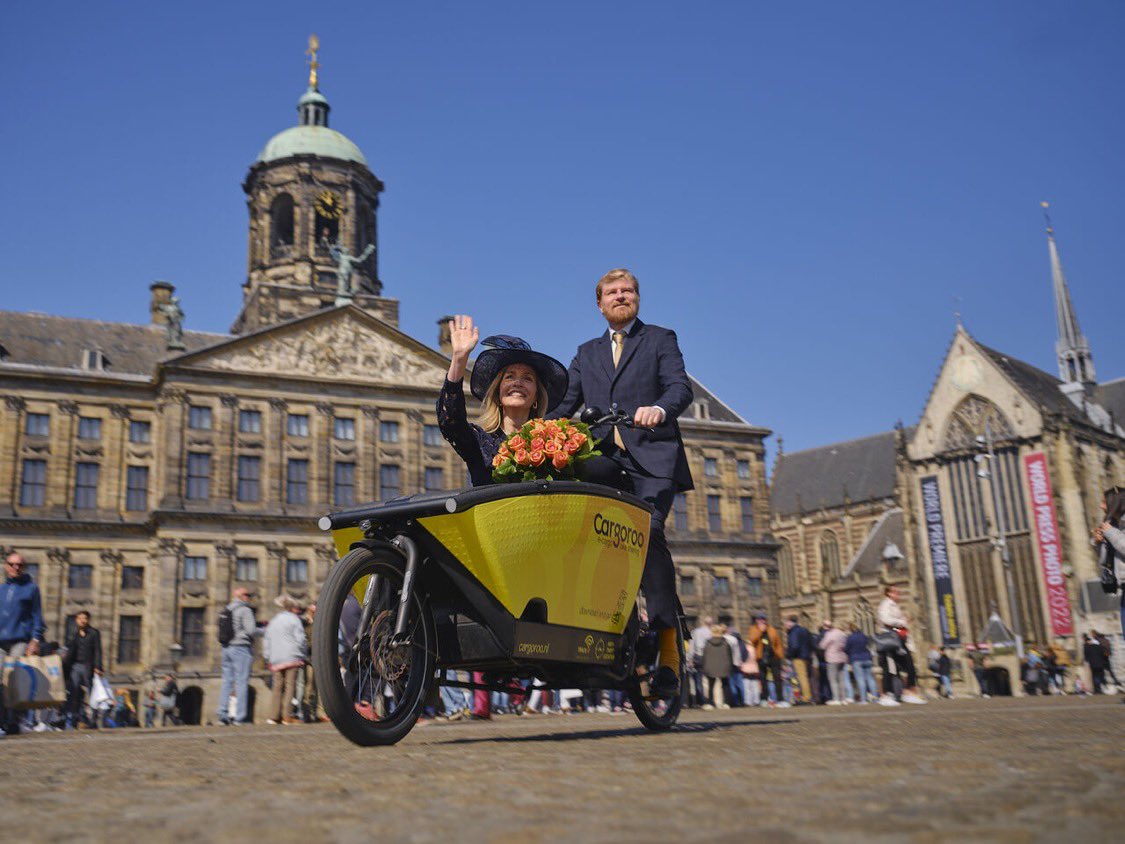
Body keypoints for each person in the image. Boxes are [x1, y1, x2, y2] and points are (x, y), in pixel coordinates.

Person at [550, 268, 694, 698]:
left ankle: (668, 647)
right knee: (578, 508)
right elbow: (565, 403)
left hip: (652, 458)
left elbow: (679, 388)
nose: (620, 296)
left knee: (649, 531)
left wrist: (660, 409)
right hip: (606, 460)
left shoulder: (660, 339)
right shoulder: (586, 352)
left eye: (627, 290)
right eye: (612, 292)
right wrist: (532, 433)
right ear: (599, 304)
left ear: (637, 298)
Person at [437, 315, 569, 487]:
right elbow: (450, 421)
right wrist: (459, 360)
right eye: (509, 377)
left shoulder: (553, 446)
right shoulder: (480, 442)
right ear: (497, 393)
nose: (518, 383)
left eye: (527, 378)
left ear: (537, 397)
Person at [0, 551, 46, 735]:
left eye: (19, 565)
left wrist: (35, 639)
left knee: (12, 678)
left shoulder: (31, 589)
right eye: (12, 564)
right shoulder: (1, 589)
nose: (16, 568)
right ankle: (1, 721)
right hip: (1, 642)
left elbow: (37, 617)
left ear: (24, 567)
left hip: (19, 640)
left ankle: (13, 721)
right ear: (6, 566)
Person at [215, 586, 259, 726]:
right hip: (240, 648)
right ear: (241, 596)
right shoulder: (245, 610)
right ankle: (240, 717)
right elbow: (251, 631)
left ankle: (222, 715)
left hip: (226, 648)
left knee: (227, 681)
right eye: (247, 595)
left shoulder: (227, 609)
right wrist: (265, 630)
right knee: (241, 682)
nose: (249, 597)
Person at [877, 585, 926, 705]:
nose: (898, 594)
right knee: (891, 667)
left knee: (906, 666)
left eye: (898, 592)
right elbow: (885, 620)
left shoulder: (893, 605)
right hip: (892, 640)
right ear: (888, 593)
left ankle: (907, 693)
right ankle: (886, 695)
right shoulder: (886, 604)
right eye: (895, 592)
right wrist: (902, 622)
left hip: (899, 639)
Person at [263, 595, 308, 725]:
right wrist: (303, 653)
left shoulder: (274, 621)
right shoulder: (294, 620)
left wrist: (267, 656)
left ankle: (274, 716)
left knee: (277, 687)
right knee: (290, 686)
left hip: (276, 657)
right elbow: (300, 639)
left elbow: (267, 640)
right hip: (291, 655)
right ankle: (286, 716)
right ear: (292, 608)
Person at [62, 610, 103, 729]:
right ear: (76, 620)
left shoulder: (94, 633)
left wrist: (98, 666)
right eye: (80, 618)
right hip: (75, 666)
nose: (82, 621)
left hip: (88, 666)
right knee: (73, 692)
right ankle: (73, 719)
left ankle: (93, 720)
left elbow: (98, 650)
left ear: (88, 620)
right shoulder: (74, 634)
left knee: (92, 693)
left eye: (84, 618)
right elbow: (68, 650)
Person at [748, 615, 788, 708]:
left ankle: (780, 699)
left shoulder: (771, 629)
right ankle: (764, 699)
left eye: (763, 620)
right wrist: (760, 631)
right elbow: (752, 640)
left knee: (777, 678)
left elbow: (778, 643)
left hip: (773, 657)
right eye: (759, 620)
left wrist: (780, 655)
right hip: (761, 657)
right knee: (763, 679)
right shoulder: (753, 629)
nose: (761, 622)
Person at [700, 625, 733, 709]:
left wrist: (704, 666)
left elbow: (704, 656)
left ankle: (710, 703)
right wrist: (730, 666)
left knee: (710, 686)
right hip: (724, 666)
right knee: (725, 686)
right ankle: (726, 703)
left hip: (710, 666)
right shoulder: (726, 642)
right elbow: (730, 655)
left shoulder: (707, 643)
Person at [845, 623, 878, 704]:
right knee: (870, 678)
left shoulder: (850, 638)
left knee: (860, 679)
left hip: (856, 659)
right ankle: (875, 698)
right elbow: (869, 645)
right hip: (867, 658)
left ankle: (863, 699)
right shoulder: (864, 636)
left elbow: (846, 649)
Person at [784, 615, 814, 704]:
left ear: (790, 622)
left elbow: (795, 646)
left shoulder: (794, 632)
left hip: (798, 657)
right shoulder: (804, 630)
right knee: (804, 677)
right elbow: (811, 643)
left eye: (786, 622)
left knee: (801, 678)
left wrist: (789, 655)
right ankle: (801, 697)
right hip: (806, 657)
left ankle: (806, 698)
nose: (785, 624)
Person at [819, 620, 848, 705]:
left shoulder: (830, 634)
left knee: (833, 679)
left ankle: (836, 699)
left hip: (832, 658)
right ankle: (843, 699)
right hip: (842, 658)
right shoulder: (843, 634)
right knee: (841, 679)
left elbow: (822, 645)